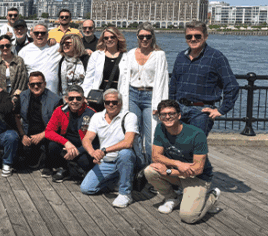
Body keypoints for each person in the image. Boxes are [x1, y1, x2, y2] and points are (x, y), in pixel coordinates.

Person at [144, 99, 221, 223]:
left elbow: (198, 169)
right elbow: (156, 156)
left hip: (198, 178)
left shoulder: (197, 134)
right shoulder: (160, 128)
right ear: (159, 117)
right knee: (150, 170)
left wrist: (168, 171)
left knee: (188, 217)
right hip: (179, 172)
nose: (167, 117)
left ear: (179, 115)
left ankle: (211, 196)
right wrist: (177, 164)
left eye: (171, 114)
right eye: (163, 114)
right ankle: (172, 197)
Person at [169, 20, 239, 136]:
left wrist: (221, 110)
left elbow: (231, 85)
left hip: (201, 111)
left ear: (205, 36)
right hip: (179, 109)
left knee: (195, 144)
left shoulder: (216, 57)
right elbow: (173, 84)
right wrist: (171, 106)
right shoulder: (181, 57)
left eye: (197, 36)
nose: (193, 39)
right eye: (189, 36)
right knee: (177, 144)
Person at [80, 89, 140, 208]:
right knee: (86, 188)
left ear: (120, 103)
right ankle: (119, 180)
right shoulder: (97, 116)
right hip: (107, 161)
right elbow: (87, 139)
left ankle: (125, 193)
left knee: (125, 153)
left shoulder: (129, 116)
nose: (111, 104)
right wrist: (93, 153)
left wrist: (104, 151)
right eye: (107, 102)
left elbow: (128, 143)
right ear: (104, 104)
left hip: (125, 159)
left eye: (114, 102)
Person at [118, 23, 168, 163]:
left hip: (150, 97)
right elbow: (123, 79)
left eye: (148, 36)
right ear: (137, 37)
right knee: (134, 132)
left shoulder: (159, 55)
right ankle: (140, 166)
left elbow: (163, 81)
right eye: (141, 36)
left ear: (152, 37)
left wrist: (161, 104)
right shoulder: (130, 54)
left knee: (151, 135)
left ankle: (153, 166)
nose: (144, 39)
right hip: (132, 95)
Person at [43, 84, 97, 182]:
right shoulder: (60, 110)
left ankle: (72, 169)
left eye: (78, 98)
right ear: (66, 99)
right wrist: (66, 143)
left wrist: (78, 151)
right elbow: (48, 132)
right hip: (67, 145)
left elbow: (96, 140)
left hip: (83, 147)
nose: (74, 101)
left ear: (83, 99)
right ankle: (64, 168)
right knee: (52, 145)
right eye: (71, 98)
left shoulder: (92, 114)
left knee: (84, 162)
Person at [16, 71, 59, 170]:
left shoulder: (55, 100)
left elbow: (58, 124)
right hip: (28, 135)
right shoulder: (22, 96)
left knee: (53, 146)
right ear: (28, 85)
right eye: (32, 84)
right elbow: (16, 116)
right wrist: (22, 135)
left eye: (39, 84)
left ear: (45, 84)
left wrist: (43, 135)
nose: (36, 86)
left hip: (46, 135)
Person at [82, 26, 129, 111]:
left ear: (118, 38)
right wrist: (84, 95)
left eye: (112, 37)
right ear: (103, 40)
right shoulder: (96, 55)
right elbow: (89, 78)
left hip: (117, 96)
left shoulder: (126, 57)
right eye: (106, 38)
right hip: (99, 96)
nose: (109, 40)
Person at [18, 23, 61, 94]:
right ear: (32, 34)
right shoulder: (23, 51)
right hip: (33, 94)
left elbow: (74, 47)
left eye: (43, 33)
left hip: (53, 94)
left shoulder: (57, 47)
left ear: (47, 35)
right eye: (36, 33)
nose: (39, 35)